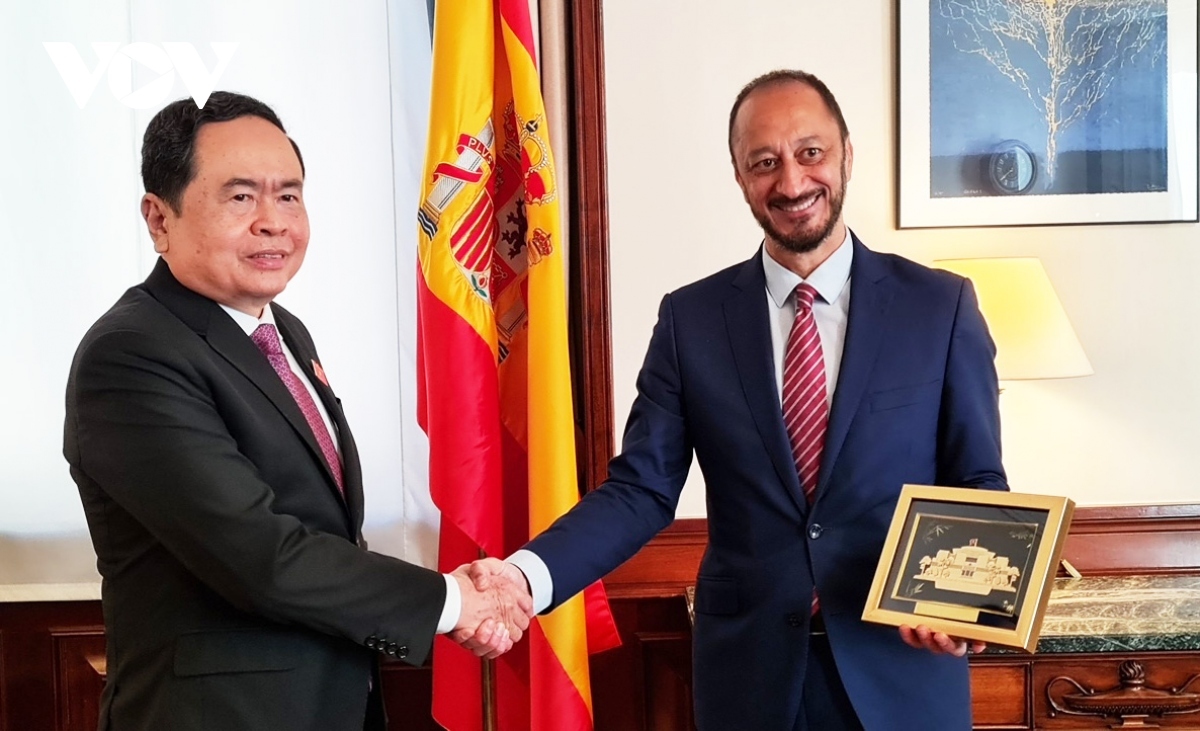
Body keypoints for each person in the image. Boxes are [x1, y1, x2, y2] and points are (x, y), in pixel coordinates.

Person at [469, 70, 1007, 730]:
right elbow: (640, 489)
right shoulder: (690, 320)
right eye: (764, 162)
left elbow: (977, 478)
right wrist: (527, 575)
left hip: (900, 671)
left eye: (810, 152)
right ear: (738, 175)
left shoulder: (940, 307)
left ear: (845, 153)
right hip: (750, 682)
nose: (791, 182)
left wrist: (959, 604)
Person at [63, 91, 529, 731]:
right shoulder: (132, 355)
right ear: (158, 218)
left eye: (288, 194)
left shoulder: (284, 332)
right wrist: (451, 600)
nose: (273, 221)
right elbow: (259, 555)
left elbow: (322, 528)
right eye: (239, 196)